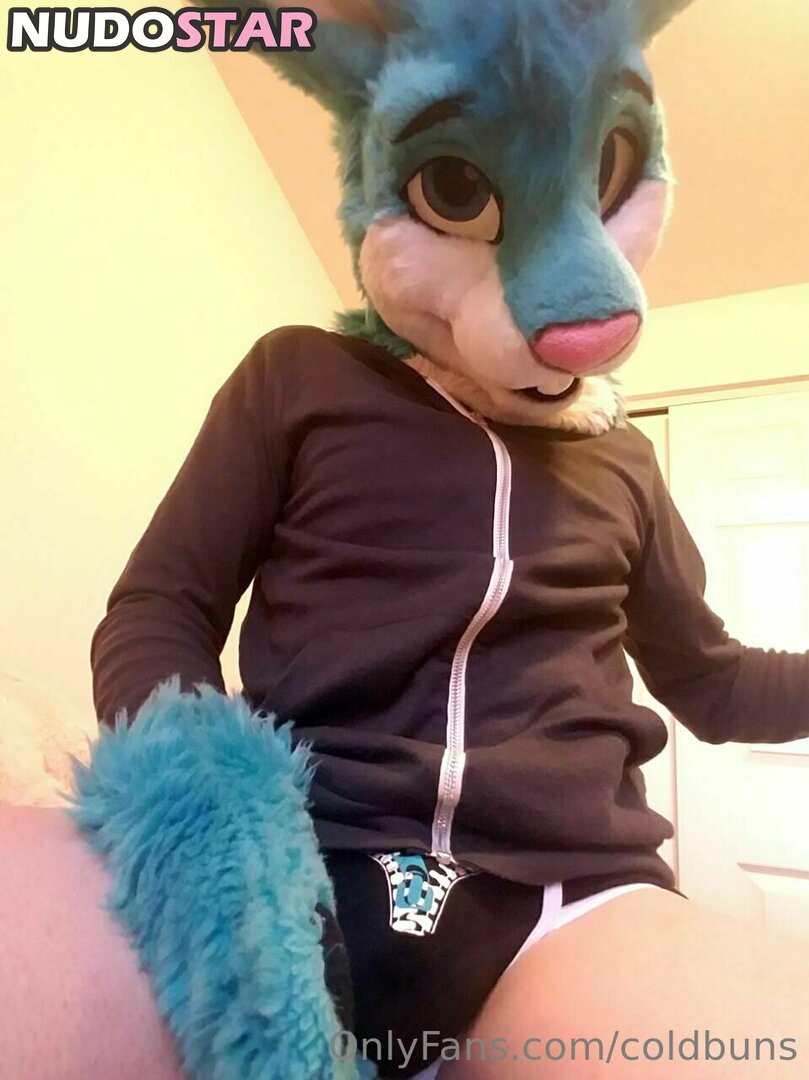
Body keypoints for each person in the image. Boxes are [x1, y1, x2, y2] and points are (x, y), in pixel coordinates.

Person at [3, 2, 808, 1078]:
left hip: (559, 894)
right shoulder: (298, 375)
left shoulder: (621, 462)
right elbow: (160, 607)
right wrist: (203, 797)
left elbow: (712, 683)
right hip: (299, 857)